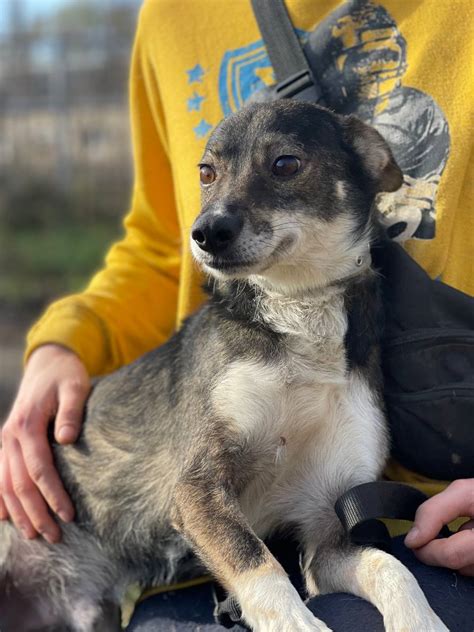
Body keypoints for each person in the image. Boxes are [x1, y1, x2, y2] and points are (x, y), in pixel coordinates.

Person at [1, 0, 473, 629]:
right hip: (145, 549)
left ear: (371, 167)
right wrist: (66, 341)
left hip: (429, 522)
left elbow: (329, 544)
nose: (214, 218)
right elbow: (156, 243)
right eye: (211, 175)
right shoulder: (171, 16)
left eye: (282, 168)